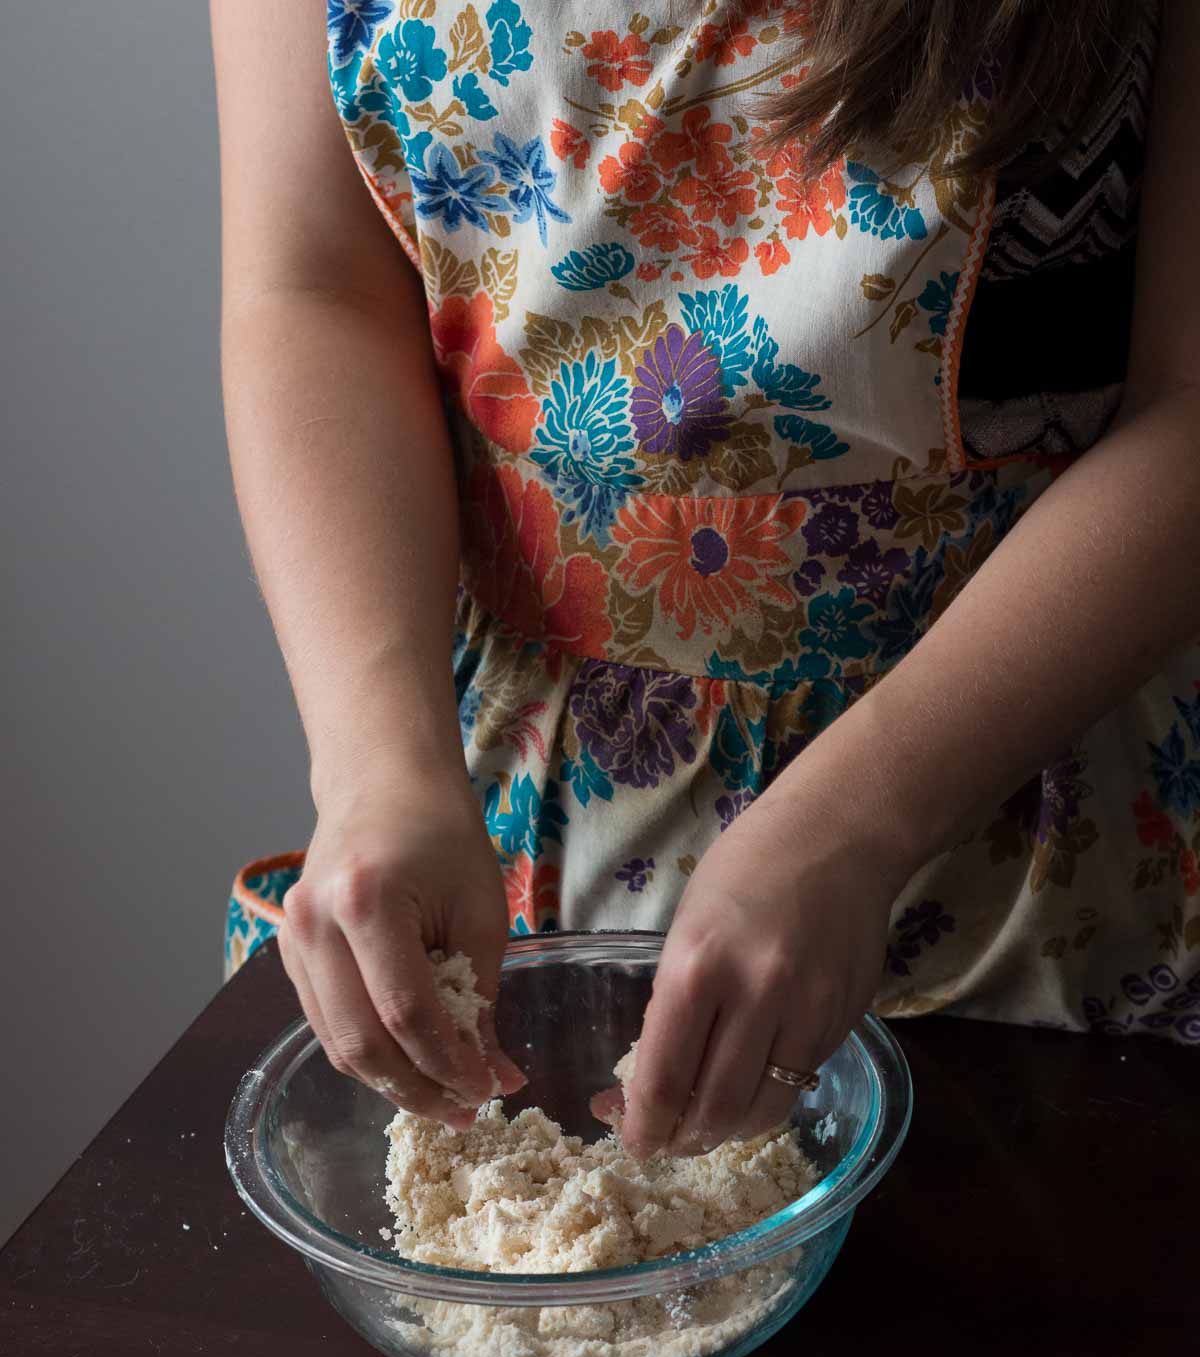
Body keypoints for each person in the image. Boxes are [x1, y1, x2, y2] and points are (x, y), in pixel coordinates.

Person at [213, 0, 1198, 1161]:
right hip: (504, 826)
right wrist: (379, 765)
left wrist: (857, 824)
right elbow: (316, 287)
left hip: (1023, 829)